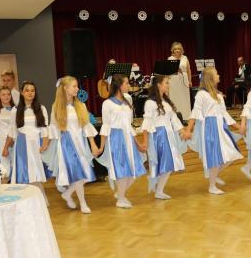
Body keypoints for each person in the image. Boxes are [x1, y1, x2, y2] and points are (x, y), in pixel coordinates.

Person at [185, 67, 244, 195]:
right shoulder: (201, 94)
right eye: (216, 74)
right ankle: (212, 186)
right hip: (210, 128)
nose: (219, 75)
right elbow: (195, 112)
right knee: (215, 156)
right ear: (210, 78)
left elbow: (224, 114)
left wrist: (238, 126)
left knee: (232, 153)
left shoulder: (218, 96)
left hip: (221, 127)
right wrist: (188, 130)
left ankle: (214, 174)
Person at [48, 76, 101, 214]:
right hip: (66, 144)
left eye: (77, 86)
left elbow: (86, 126)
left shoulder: (81, 105)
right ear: (65, 88)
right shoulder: (56, 107)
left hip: (80, 143)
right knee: (78, 174)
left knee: (85, 174)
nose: (77, 89)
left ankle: (67, 194)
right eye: (74, 86)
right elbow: (53, 128)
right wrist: (47, 146)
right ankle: (83, 203)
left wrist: (93, 145)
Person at [96, 74, 146, 209]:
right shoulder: (107, 104)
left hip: (128, 138)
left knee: (133, 170)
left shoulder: (127, 100)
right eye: (126, 83)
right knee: (122, 169)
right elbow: (106, 126)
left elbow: (128, 125)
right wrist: (101, 147)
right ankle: (121, 199)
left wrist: (137, 143)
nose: (129, 85)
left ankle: (120, 194)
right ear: (119, 85)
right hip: (116, 139)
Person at [141, 74, 188, 200]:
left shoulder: (166, 102)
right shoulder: (150, 103)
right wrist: (145, 140)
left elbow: (174, 118)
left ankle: (158, 188)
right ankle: (159, 190)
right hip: (159, 135)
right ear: (158, 85)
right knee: (166, 163)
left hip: (168, 134)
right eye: (166, 83)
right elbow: (147, 122)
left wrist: (182, 131)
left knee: (168, 163)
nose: (168, 85)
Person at [4, 81, 50, 206]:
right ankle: (26, 202)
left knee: (36, 173)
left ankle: (41, 201)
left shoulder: (41, 108)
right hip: (22, 145)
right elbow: (12, 131)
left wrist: (44, 144)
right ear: (22, 92)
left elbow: (45, 129)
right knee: (24, 173)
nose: (30, 93)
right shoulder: (15, 110)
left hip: (37, 144)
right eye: (27, 90)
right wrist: (6, 147)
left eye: (32, 90)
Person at [168, 42, 192, 120]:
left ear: (181, 50)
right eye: (175, 49)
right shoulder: (170, 59)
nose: (177, 50)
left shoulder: (185, 58)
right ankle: (175, 118)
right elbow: (168, 72)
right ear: (173, 50)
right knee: (174, 98)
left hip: (184, 80)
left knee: (184, 99)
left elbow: (189, 70)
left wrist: (190, 81)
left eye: (178, 49)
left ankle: (186, 117)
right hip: (173, 80)